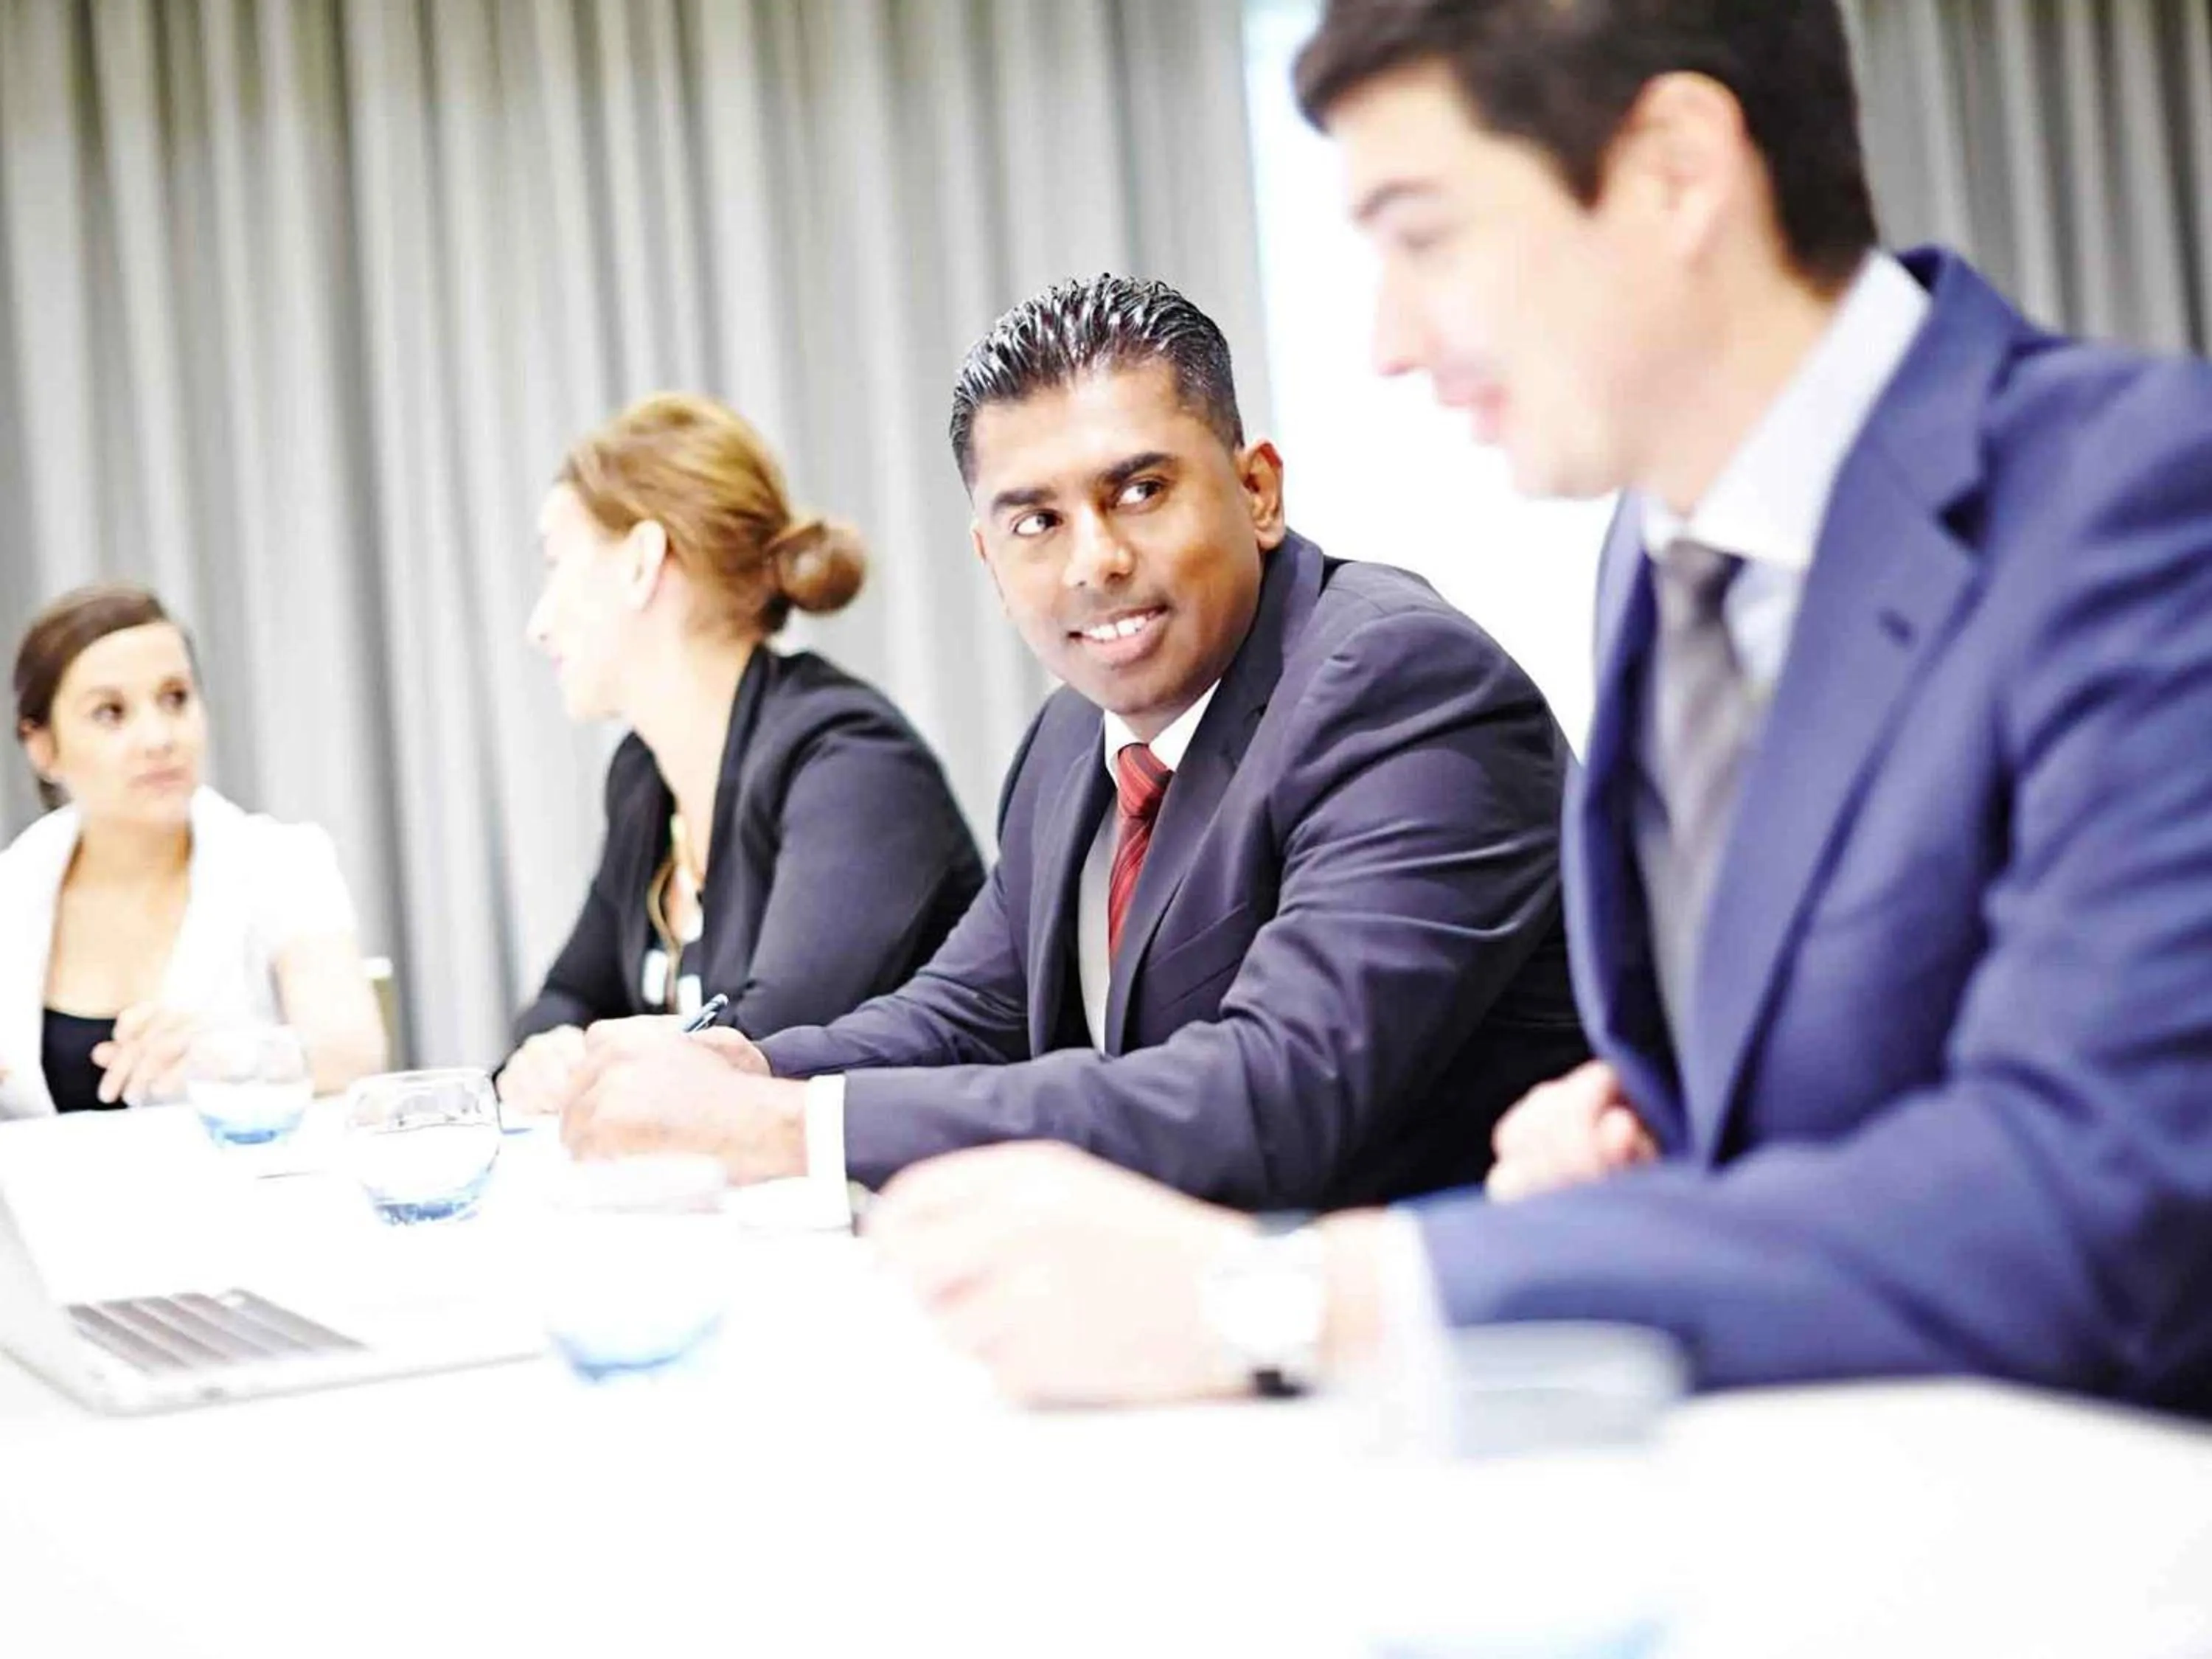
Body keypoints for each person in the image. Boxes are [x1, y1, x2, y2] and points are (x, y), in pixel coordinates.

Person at [861, 0, 2212, 1413]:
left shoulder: (2143, 500)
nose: (1388, 339)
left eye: (1426, 236)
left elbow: (2101, 1198)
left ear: (1677, 168)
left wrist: (1298, 1297)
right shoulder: (1658, 553)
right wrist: (1649, 1126)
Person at [560, 276, 1586, 1212]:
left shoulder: (1398, 681)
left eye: (1140, 491)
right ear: (988, 556)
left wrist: (792, 1130)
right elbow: (967, 1013)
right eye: (1036, 523)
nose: (1095, 561)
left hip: (1463, 1317)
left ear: (1258, 491)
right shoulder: (1070, 736)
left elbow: (1276, 1092)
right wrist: (746, 1067)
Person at [497, 394, 985, 1117]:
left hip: (911, 1180)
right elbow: (568, 996)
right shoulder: (642, 779)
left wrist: (588, 1065)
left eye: (556, 563)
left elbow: (765, 1054)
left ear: (642, 562)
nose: (538, 625)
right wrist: (547, 1053)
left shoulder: (851, 764)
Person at [1, 585, 387, 1117]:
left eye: (176, 698)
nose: (159, 738)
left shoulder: (279, 861)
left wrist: (232, 1056)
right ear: (43, 747)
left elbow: (353, 1053)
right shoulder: (13, 887)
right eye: (110, 713)